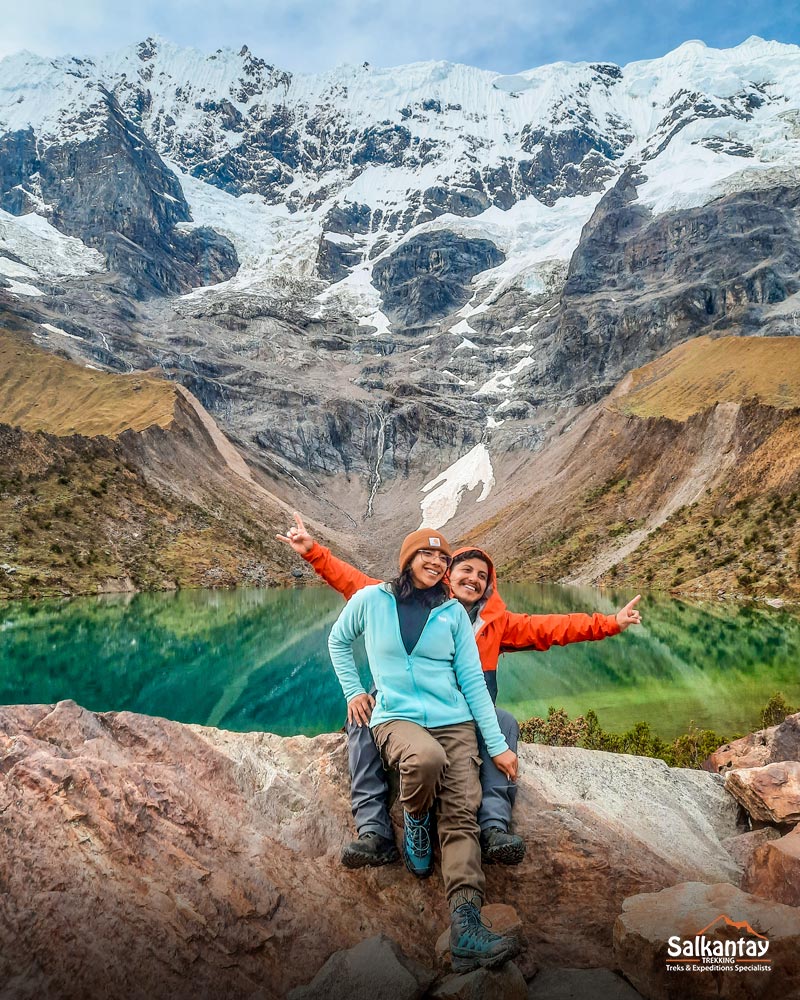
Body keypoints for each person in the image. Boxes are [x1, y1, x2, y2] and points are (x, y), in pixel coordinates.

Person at [278, 514, 642, 869]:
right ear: (447, 574)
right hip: (406, 708)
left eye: (482, 576)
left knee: (504, 724)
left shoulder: (498, 624)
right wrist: (313, 553)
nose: (474, 579)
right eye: (465, 570)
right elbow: (353, 584)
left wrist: (611, 623)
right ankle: (375, 832)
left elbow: (554, 627)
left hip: (463, 711)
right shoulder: (406, 600)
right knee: (361, 716)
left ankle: (493, 828)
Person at [327, 528, 521, 971]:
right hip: (396, 716)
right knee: (425, 759)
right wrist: (354, 691)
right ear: (408, 558)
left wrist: (496, 746)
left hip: (453, 719)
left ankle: (466, 925)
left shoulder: (452, 613)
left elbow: (472, 682)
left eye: (442, 559)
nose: (435, 563)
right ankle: (414, 817)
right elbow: (338, 641)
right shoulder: (373, 600)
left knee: (461, 814)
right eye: (427, 556)